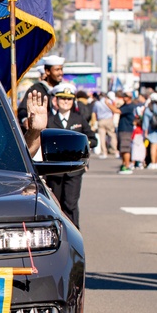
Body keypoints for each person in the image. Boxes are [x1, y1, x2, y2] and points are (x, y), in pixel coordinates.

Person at [44, 83, 95, 228]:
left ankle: (74, 234)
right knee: (56, 204)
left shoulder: (78, 119)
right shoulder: (49, 120)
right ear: (56, 100)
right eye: (62, 99)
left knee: (71, 204)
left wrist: (81, 148)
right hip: (55, 170)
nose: (66, 102)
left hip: (74, 170)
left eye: (69, 99)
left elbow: (92, 139)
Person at [18, 54, 64, 124]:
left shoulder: (63, 89)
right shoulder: (36, 89)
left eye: (61, 69)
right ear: (47, 71)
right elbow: (23, 110)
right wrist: (25, 121)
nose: (61, 73)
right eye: (57, 70)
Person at [142, 92, 157, 168]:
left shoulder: (148, 108)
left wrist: (145, 131)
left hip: (152, 129)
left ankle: (153, 163)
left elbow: (145, 122)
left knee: (153, 146)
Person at [117, 92, 141, 174]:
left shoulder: (130, 106)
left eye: (126, 96)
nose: (124, 98)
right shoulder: (125, 105)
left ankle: (127, 166)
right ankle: (124, 164)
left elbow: (117, 111)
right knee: (122, 149)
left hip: (126, 129)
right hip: (122, 129)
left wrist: (107, 104)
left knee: (125, 148)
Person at [92, 91, 116, 158]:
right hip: (109, 119)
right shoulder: (109, 102)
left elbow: (94, 112)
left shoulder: (97, 103)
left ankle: (104, 152)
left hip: (101, 120)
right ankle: (115, 150)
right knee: (112, 135)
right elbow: (113, 110)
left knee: (102, 137)